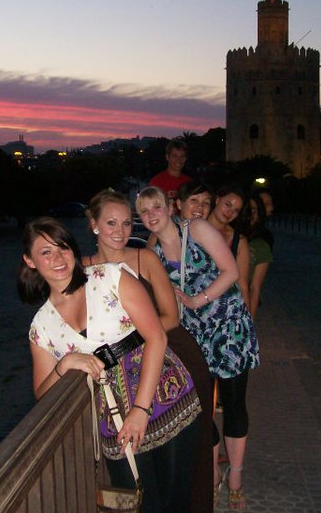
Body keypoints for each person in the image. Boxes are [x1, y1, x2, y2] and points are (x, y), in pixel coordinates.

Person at [17, 217, 201, 513]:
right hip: (114, 419)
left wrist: (141, 410)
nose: (58, 258)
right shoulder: (42, 326)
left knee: (176, 500)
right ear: (30, 261)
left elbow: (156, 337)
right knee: (138, 504)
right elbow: (42, 392)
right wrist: (64, 365)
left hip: (166, 397)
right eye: (45, 252)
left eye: (62, 247)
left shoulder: (110, 277)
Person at [85, 189, 214, 513]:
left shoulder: (145, 258)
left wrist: (130, 337)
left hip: (167, 370)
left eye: (127, 223)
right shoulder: (81, 269)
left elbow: (170, 317)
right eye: (111, 222)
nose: (120, 231)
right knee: (141, 496)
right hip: (116, 390)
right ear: (93, 224)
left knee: (177, 489)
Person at [136, 187, 259, 511]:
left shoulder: (198, 228)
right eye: (144, 210)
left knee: (234, 405)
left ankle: (235, 478)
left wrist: (196, 299)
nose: (151, 215)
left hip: (228, 327)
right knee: (202, 410)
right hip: (194, 337)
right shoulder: (151, 251)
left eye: (156, 207)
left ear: (170, 206)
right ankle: (212, 475)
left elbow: (231, 271)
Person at [207, 185, 251, 310]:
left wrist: (248, 319)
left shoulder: (239, 240)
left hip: (226, 308)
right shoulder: (193, 227)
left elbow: (242, 284)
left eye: (236, 210)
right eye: (228, 204)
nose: (230, 212)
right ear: (217, 200)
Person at [246, 195, 273, 319]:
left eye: (256, 210)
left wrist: (249, 323)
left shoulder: (261, 245)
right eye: (249, 209)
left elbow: (255, 288)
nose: (252, 213)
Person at [149, 139, 192, 208]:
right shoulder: (156, 182)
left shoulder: (189, 183)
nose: (178, 160)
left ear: (185, 159)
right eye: (174, 156)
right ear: (167, 157)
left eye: (182, 156)